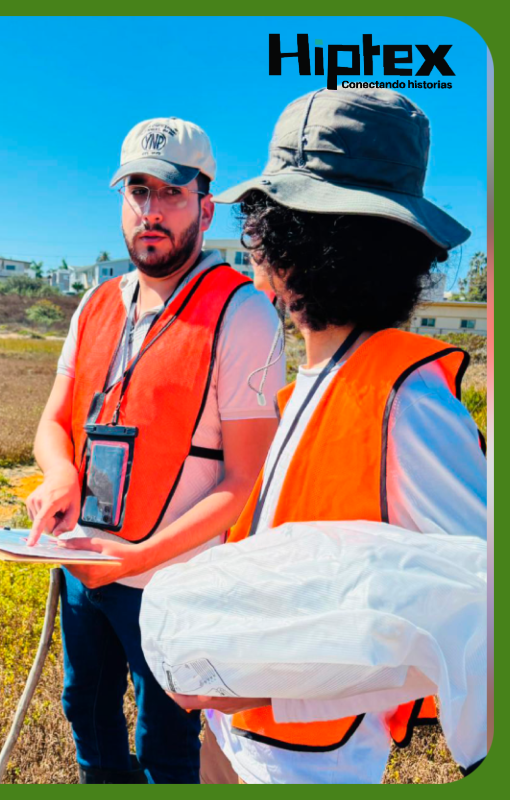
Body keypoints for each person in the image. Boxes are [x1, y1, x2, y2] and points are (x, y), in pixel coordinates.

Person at [169, 88, 487, 784]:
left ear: (284, 239)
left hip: (308, 765)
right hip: (233, 734)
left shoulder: (406, 399)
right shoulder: (304, 389)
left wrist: (274, 682)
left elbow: (481, 616)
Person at [25, 117, 283, 783]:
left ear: (205, 203)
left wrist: (138, 559)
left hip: (174, 579)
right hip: (85, 561)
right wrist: (58, 478)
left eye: (169, 194)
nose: (150, 211)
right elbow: (55, 422)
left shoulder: (242, 313)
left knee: (167, 739)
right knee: (85, 706)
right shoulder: (96, 304)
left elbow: (242, 479)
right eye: (136, 192)